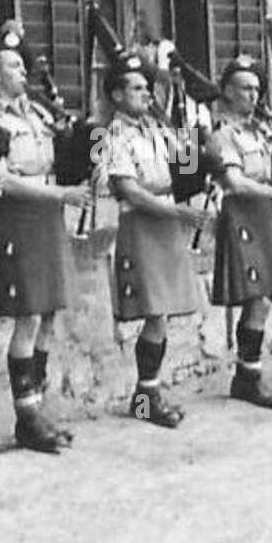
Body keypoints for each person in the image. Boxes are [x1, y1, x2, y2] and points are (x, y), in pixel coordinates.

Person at [0, 24, 92, 453]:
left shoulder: (38, 115)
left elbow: (60, 160)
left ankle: (37, 409)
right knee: (26, 316)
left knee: (48, 315)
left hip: (48, 218)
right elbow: (2, 180)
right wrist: (62, 193)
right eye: (12, 64)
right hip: (18, 219)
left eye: (23, 64)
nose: (22, 71)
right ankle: (25, 417)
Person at [99, 53, 208, 426]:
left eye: (148, 88)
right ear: (116, 95)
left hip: (165, 225)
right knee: (154, 314)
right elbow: (128, 190)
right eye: (136, 88)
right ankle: (146, 399)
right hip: (142, 226)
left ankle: (148, 394)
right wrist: (178, 211)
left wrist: (196, 141)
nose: (146, 94)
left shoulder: (156, 129)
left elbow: (183, 172)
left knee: (162, 316)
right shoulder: (112, 136)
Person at [207, 56, 272, 408]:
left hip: (266, 214)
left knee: (265, 296)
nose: (252, 95)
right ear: (226, 92)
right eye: (244, 88)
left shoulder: (259, 132)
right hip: (241, 216)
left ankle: (248, 375)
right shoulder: (222, 135)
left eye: (256, 88)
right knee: (258, 296)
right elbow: (235, 182)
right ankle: (247, 377)